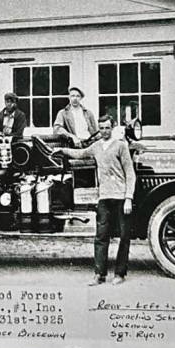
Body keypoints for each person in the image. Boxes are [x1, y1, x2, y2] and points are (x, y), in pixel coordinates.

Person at [54, 115, 136, 286]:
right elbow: (81, 153)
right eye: (102, 128)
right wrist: (62, 150)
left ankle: (120, 273)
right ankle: (99, 274)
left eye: (107, 127)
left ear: (113, 127)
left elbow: (130, 174)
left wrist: (128, 198)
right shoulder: (97, 146)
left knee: (123, 236)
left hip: (121, 197)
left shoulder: (121, 146)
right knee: (101, 236)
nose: (105, 131)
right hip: (104, 198)